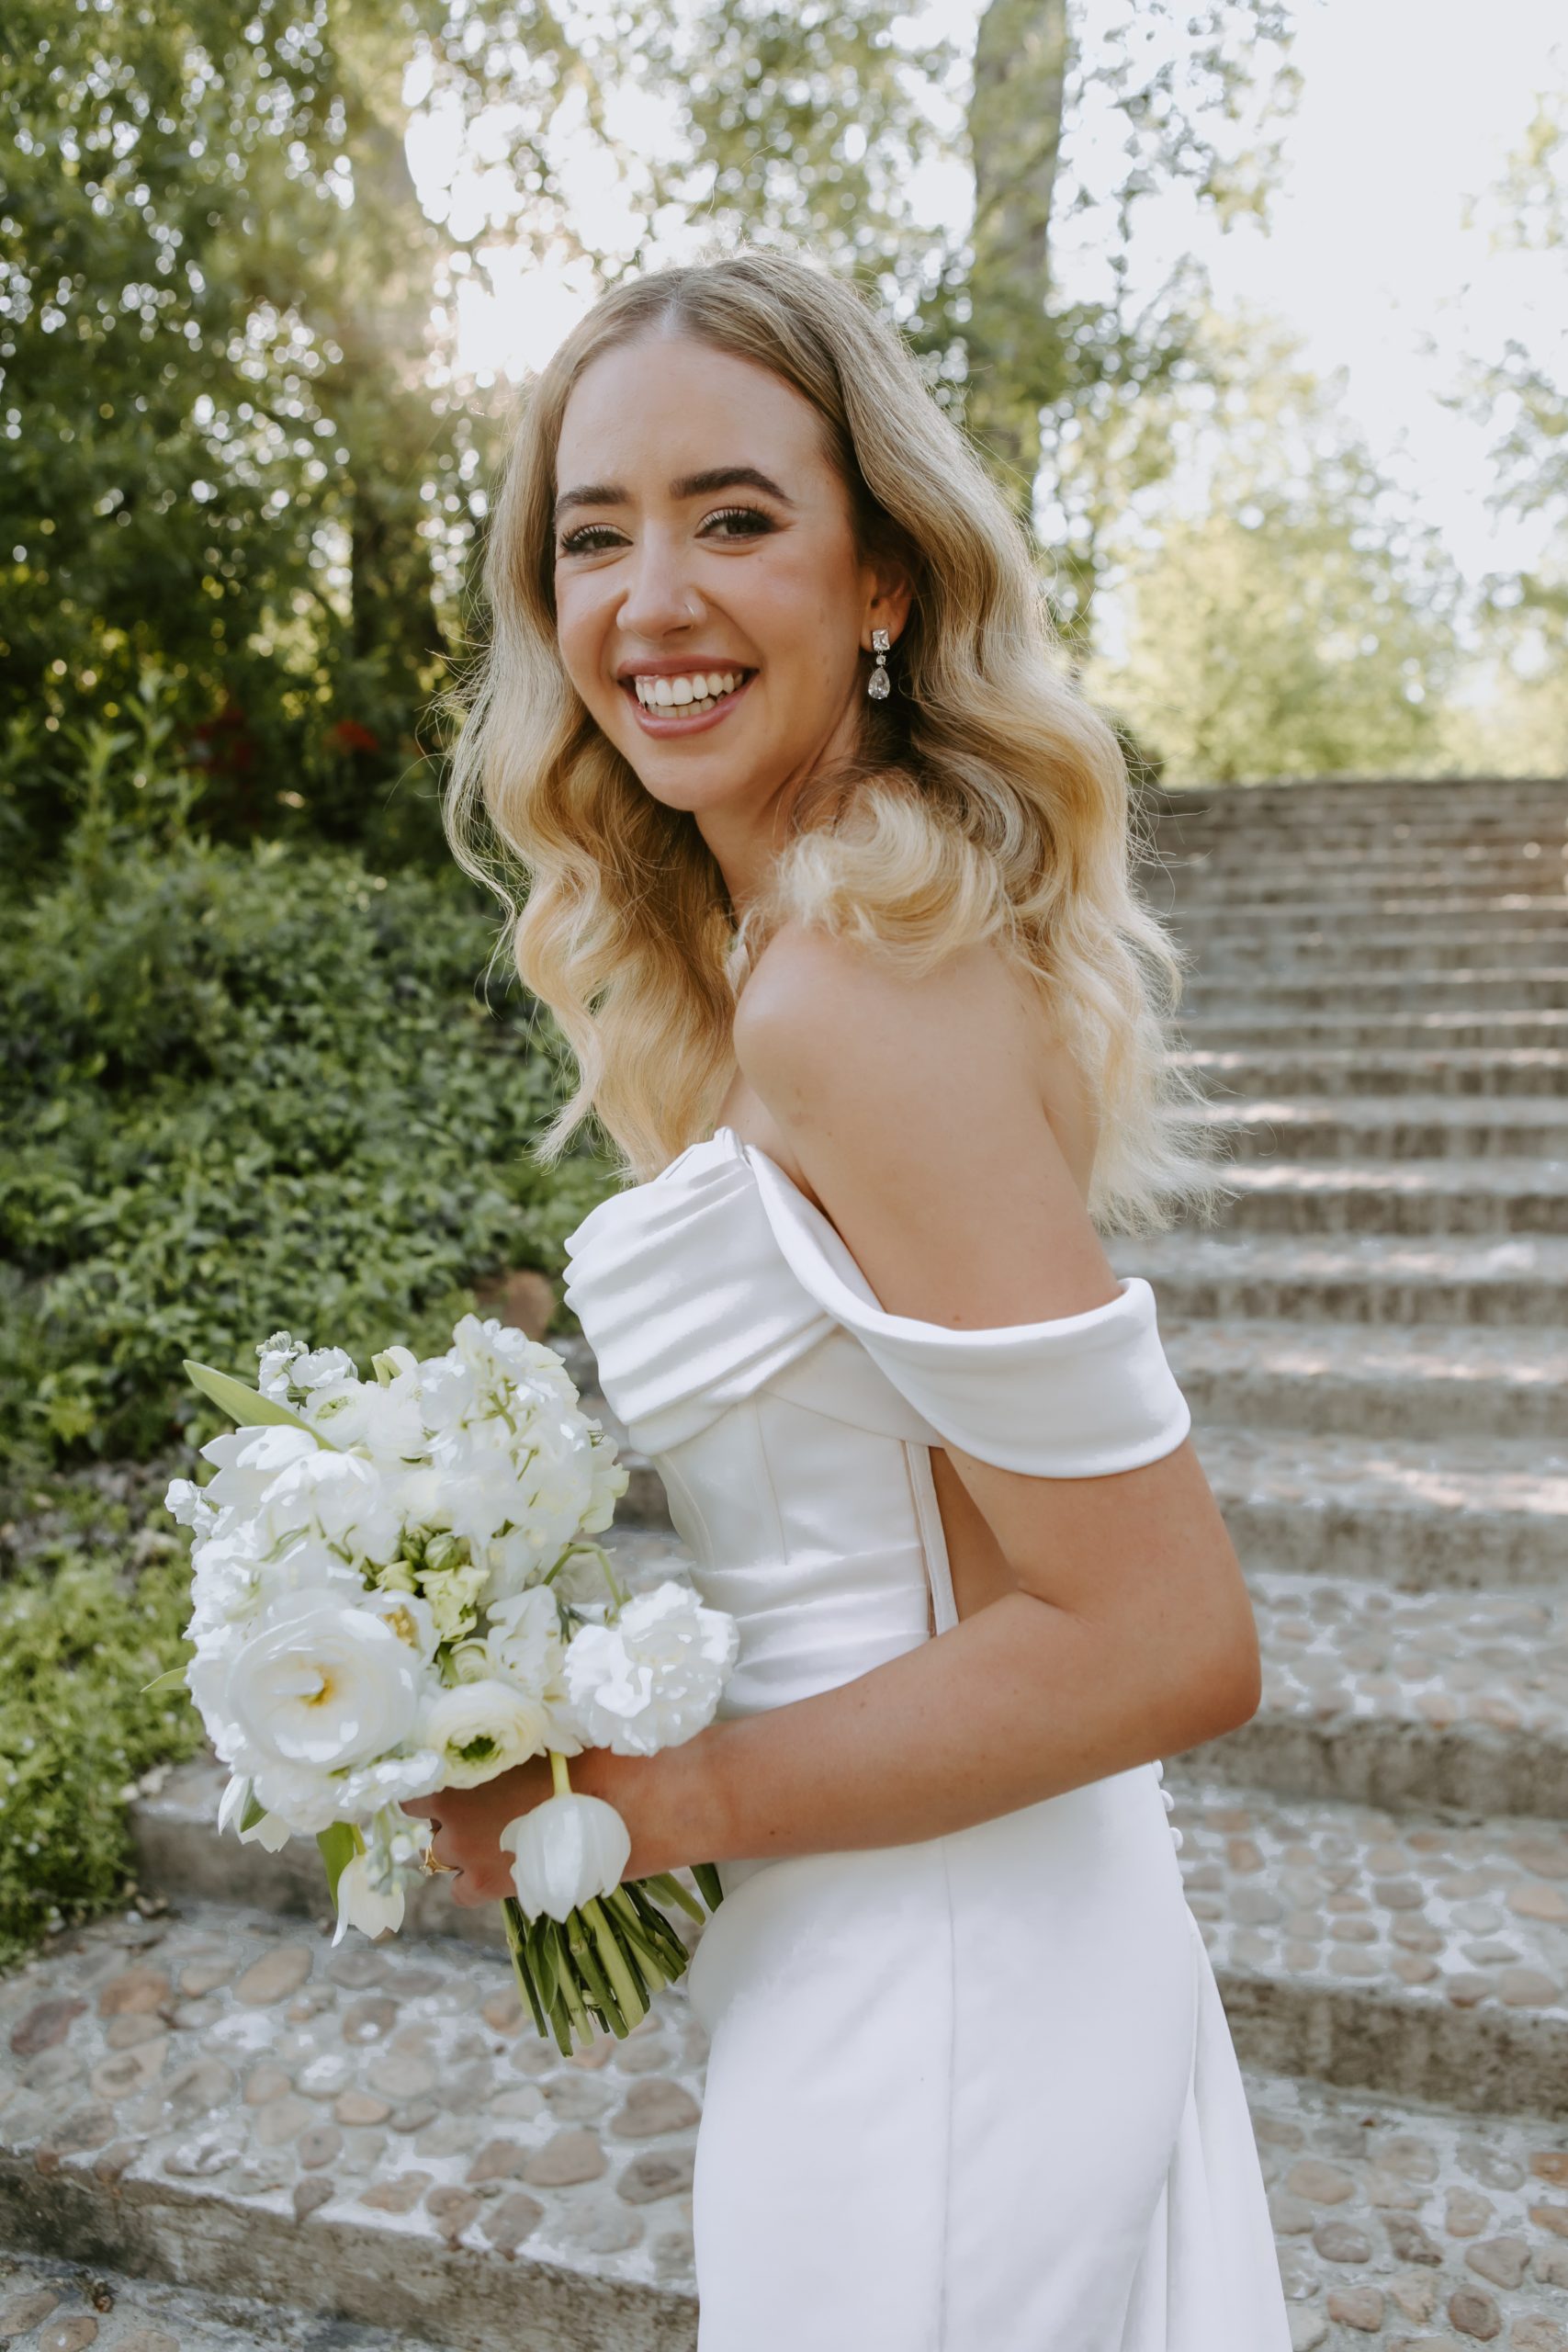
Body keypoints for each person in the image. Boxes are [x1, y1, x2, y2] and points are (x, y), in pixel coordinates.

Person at [406, 248, 1290, 2350]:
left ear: (879, 573)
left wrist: (647, 1804)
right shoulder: (823, 940)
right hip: (924, 1915)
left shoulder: (854, 983)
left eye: (733, 517)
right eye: (592, 537)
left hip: (944, 1980)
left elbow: (1161, 1631)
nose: (651, 600)